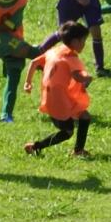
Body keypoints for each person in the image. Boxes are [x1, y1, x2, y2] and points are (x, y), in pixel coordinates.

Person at [23, 21, 93, 158]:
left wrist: (27, 82)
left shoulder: (54, 51)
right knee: (67, 132)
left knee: (85, 117)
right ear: (74, 41)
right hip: (59, 99)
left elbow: (34, 62)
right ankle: (35, 146)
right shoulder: (70, 57)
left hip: (54, 96)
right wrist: (87, 77)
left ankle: (78, 150)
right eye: (83, 41)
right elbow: (78, 76)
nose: (84, 44)